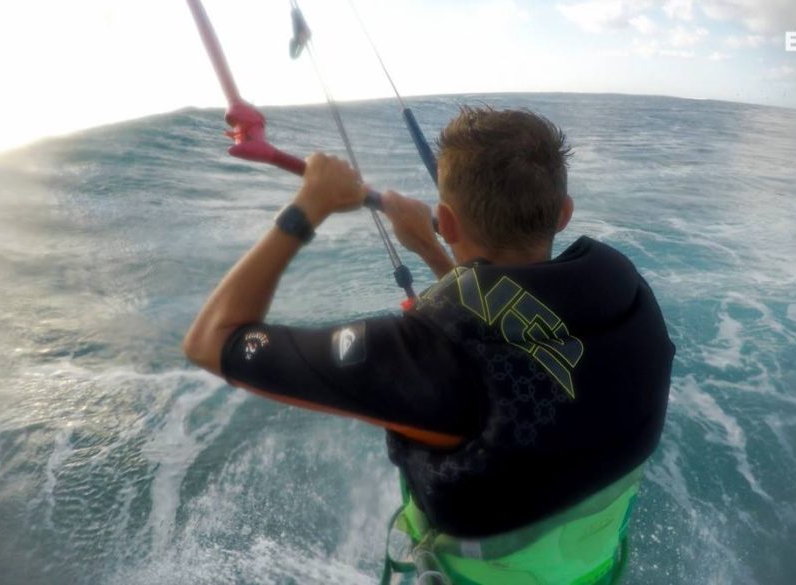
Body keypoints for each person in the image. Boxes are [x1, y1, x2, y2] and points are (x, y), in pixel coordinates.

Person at [183, 106, 674, 584]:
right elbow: (510, 342)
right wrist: (430, 249)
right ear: (563, 214)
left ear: (448, 219)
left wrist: (309, 205)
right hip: (592, 571)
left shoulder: (431, 357)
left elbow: (213, 340)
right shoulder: (629, 301)